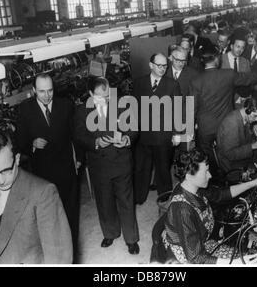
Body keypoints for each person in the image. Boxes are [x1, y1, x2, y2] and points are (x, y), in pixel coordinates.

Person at [0, 129, 73, 264]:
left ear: (17, 159)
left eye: (6, 170)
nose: (1, 180)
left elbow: (59, 257)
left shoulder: (43, 192)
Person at [163, 148, 257, 264]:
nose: (210, 175)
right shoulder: (182, 209)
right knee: (242, 259)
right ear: (189, 176)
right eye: (205, 172)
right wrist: (234, 263)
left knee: (242, 254)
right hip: (190, 257)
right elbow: (195, 257)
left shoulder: (195, 187)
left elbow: (221, 194)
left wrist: (253, 183)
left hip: (202, 242)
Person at [15, 73, 79, 258]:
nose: (46, 95)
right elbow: (20, 142)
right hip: (42, 175)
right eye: (41, 91)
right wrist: (32, 145)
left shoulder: (65, 105)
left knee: (70, 215)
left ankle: (72, 254)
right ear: (34, 90)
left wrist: (79, 159)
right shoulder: (25, 110)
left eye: (50, 90)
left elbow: (75, 134)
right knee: (48, 219)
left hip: (67, 170)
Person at [73, 77, 140, 255]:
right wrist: (95, 143)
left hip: (121, 161)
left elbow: (134, 127)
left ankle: (131, 239)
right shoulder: (81, 111)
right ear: (90, 94)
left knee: (126, 201)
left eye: (108, 95)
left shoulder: (122, 104)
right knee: (104, 201)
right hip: (99, 164)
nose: (106, 99)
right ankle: (110, 233)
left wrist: (127, 139)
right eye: (100, 96)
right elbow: (78, 136)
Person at [189, 49, 257, 172]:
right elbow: (249, 78)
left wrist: (188, 131)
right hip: (227, 123)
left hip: (206, 128)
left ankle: (214, 178)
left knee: (209, 158)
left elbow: (191, 108)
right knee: (229, 153)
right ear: (217, 59)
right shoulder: (228, 74)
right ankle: (228, 174)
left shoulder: (195, 81)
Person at [132, 53, 182, 205]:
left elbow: (178, 110)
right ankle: (139, 197)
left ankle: (165, 198)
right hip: (142, 135)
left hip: (163, 135)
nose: (162, 69)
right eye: (159, 65)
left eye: (165, 66)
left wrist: (177, 133)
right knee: (141, 167)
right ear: (151, 65)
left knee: (162, 170)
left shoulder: (172, 84)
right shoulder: (139, 82)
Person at [216, 97, 257, 173]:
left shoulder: (243, 116)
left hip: (242, 156)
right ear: (247, 110)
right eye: (255, 116)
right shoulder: (232, 124)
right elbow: (229, 154)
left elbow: (245, 137)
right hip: (232, 165)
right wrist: (253, 146)